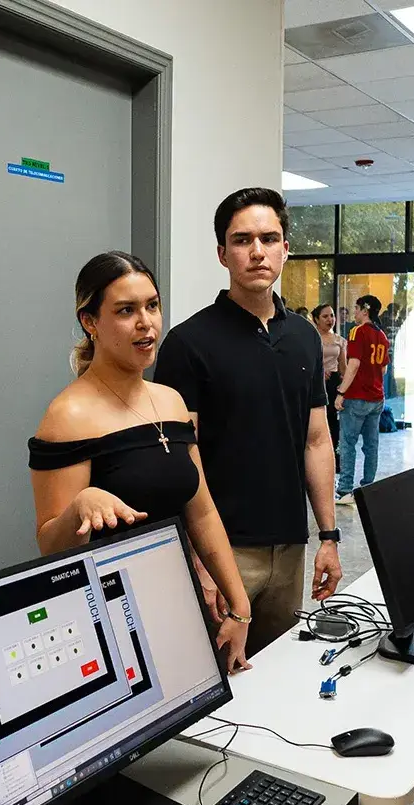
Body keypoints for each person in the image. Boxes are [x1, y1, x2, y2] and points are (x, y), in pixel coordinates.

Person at [29, 252, 253, 671]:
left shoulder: (171, 401)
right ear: (90, 321)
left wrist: (239, 605)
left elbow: (202, 513)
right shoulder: (68, 416)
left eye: (152, 306)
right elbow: (49, 547)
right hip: (107, 615)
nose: (145, 322)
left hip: (177, 599)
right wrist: (81, 505)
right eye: (126, 311)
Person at [154, 188, 342, 655]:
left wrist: (329, 536)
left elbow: (316, 441)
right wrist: (198, 561)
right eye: (242, 240)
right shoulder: (189, 343)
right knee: (218, 687)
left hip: (289, 547)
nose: (257, 251)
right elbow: (181, 461)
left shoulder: (303, 337)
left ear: (285, 249)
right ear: (222, 253)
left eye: (268, 238)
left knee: (274, 678)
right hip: (224, 551)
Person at [334, 294, 390, 503]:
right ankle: (369, 486)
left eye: (356, 309)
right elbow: (383, 369)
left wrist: (341, 392)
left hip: (358, 397)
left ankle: (345, 490)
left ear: (365, 311)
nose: (354, 313)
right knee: (371, 444)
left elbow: (354, 364)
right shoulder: (382, 335)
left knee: (348, 443)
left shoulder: (358, 332)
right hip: (377, 398)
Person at [312, 303, 342, 449]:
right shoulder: (310, 337)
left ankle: (334, 451)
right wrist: (319, 371)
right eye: (325, 316)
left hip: (333, 381)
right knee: (316, 417)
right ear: (317, 319)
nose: (330, 319)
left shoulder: (339, 339)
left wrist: (344, 389)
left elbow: (344, 366)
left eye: (332, 315)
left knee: (333, 419)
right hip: (315, 380)